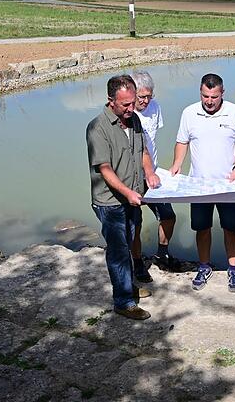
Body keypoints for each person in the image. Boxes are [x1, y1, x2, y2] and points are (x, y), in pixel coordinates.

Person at [86, 74, 160, 321]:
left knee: (128, 243)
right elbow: (104, 168)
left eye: (133, 102)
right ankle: (124, 302)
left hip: (133, 197)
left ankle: (128, 286)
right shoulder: (98, 128)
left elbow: (143, 152)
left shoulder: (134, 120)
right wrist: (128, 193)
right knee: (118, 251)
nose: (132, 108)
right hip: (111, 202)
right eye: (125, 104)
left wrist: (149, 174)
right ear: (111, 101)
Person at [170, 73, 235, 292]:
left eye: (214, 96)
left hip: (227, 185)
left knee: (231, 228)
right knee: (202, 228)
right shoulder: (189, 113)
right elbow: (182, 141)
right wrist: (177, 164)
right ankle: (204, 266)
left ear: (222, 93)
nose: (210, 101)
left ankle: (234, 270)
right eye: (205, 96)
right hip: (199, 186)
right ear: (200, 92)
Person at [130, 71, 178, 279]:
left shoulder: (155, 107)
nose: (145, 101)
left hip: (154, 174)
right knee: (135, 222)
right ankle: (137, 261)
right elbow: (139, 148)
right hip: (132, 177)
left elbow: (152, 142)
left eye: (149, 96)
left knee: (168, 216)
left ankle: (162, 253)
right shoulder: (127, 113)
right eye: (141, 97)